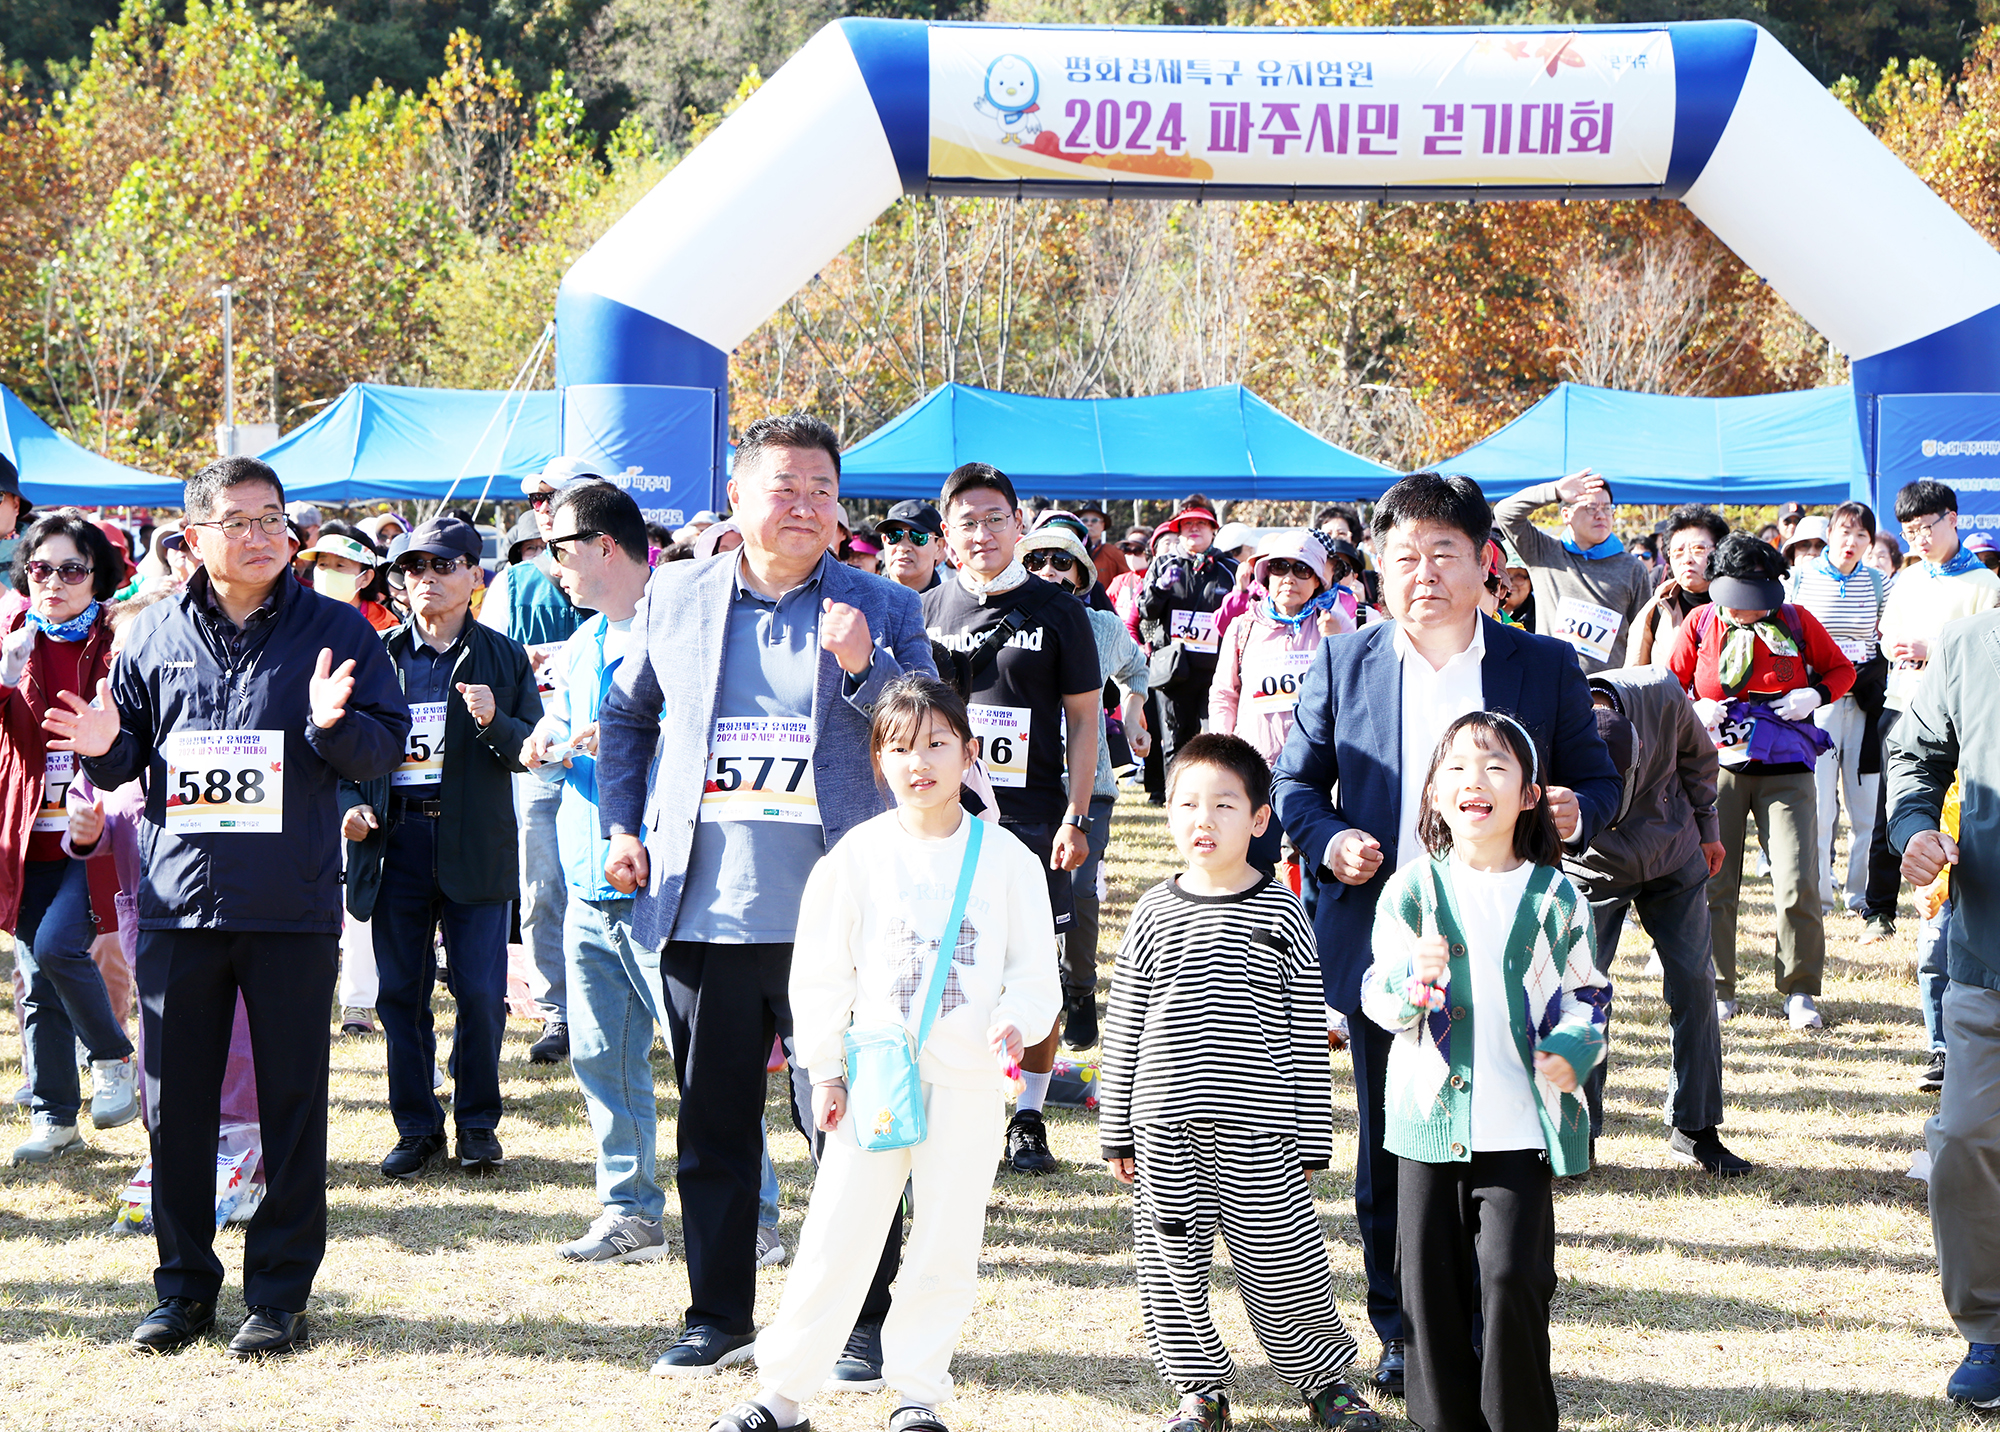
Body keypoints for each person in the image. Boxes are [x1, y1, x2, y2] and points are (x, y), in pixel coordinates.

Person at [595, 412, 934, 1378]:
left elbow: (930, 735)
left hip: (844, 916)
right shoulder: (678, 595)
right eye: (783, 487)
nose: (805, 506)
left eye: (822, 490)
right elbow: (626, 716)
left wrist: (867, 666)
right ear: (737, 500)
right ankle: (717, 1316)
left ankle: (862, 1323)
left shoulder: (881, 606)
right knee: (712, 1127)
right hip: (709, 908)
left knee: (852, 1131)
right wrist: (623, 827)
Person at [50, 455, 410, 1357]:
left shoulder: (337, 631)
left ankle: (278, 1293)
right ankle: (182, 1290)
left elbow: (380, 751)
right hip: (180, 905)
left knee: (293, 1101)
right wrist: (100, 749)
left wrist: (335, 726)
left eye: (272, 518)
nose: (260, 536)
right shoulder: (152, 635)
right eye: (239, 521)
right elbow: (124, 757)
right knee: (177, 1107)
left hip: (289, 906)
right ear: (196, 536)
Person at [1272, 471, 1620, 1396]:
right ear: (1380, 569)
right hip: (1397, 947)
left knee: (1507, 1136)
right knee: (1397, 1140)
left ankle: (1497, 1321)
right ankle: (1407, 1331)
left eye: (1442, 553)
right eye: (1403, 557)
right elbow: (1293, 787)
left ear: (1485, 562)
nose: (1422, 573)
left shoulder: (1539, 666)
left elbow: (1596, 775)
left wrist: (1577, 809)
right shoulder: (1344, 662)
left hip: (1512, 936)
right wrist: (1332, 836)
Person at [705, 675, 1060, 1432]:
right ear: (877, 760)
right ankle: (783, 1393)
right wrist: (825, 1069)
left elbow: (1037, 974)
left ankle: (918, 1393)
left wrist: (1015, 1020)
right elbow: (824, 972)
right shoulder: (856, 856)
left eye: (936, 744)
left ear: (969, 753)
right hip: (876, 1078)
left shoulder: (1007, 860)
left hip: (966, 1081)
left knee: (945, 1236)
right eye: (899, 748)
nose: (919, 762)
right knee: (838, 1230)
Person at [1101, 733, 1379, 1432]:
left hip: (1264, 1133)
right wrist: (1113, 1130)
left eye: (1224, 805)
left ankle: (1325, 1383)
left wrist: (1312, 1135)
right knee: (1172, 1269)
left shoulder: (1283, 911)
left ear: (1259, 820)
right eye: (1188, 803)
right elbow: (1126, 1022)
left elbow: (1304, 1031)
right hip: (1163, 1129)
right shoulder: (1152, 911)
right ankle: (1199, 1391)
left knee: (1285, 1267)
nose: (1204, 819)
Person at [1361, 711, 1608, 1432]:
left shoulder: (1557, 895)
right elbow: (1376, 993)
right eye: (1459, 768)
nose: (1477, 780)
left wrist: (1572, 1049)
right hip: (1425, 1128)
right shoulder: (1413, 891)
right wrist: (1413, 978)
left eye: (1497, 766)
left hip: (1520, 1129)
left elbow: (1587, 991)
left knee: (1513, 1280)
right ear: (1435, 793)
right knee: (1428, 1297)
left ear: (1529, 795)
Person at [339, 517, 539, 1179]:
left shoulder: (504, 657)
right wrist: (351, 805)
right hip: (394, 841)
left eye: (442, 565)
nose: (426, 578)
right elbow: (337, 747)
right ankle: (416, 1127)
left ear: (474, 577)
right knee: (399, 994)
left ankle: (478, 1127)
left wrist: (494, 718)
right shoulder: (375, 653)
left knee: (482, 995)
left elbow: (531, 751)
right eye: (414, 568)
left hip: (473, 841)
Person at [922, 462, 1097, 1175]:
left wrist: (1077, 816)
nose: (984, 532)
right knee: (945, 964)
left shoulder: (1059, 611)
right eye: (968, 521)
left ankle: (1027, 1116)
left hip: (1033, 823)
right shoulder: (925, 610)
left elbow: (1086, 721)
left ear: (1020, 525)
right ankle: (947, 1100)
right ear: (946, 536)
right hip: (943, 822)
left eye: (997, 518)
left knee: (1038, 970)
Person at [517, 481, 673, 1259]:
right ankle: (631, 1212)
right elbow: (557, 723)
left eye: (560, 547)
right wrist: (545, 740)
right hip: (588, 884)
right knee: (600, 1059)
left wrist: (610, 740)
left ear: (605, 545)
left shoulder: (682, 626)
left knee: (709, 1061)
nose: (552, 566)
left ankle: (752, 1218)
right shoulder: (582, 642)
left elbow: (691, 741)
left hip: (661, 885)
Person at [1665, 533, 1854, 1029]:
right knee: (1714, 881)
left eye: (1757, 602)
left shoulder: (1796, 621)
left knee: (1797, 881)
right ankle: (1718, 985)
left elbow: (1842, 671)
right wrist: (1692, 707)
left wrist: (1813, 695)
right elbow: (1669, 684)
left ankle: (1799, 989)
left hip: (1787, 767)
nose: (1749, 613)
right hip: (1718, 769)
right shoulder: (1700, 623)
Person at [1567, 665, 1749, 1175]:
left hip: (1675, 851)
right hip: (1592, 863)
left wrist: (1710, 828)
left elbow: (1699, 757)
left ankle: (1695, 1126)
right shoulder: (1558, 715)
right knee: (1581, 993)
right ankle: (1576, 1135)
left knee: (1695, 982)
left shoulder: (1662, 692)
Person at [1886, 604, 2000, 1410]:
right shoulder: (1973, 640)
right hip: (1987, 947)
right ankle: (1989, 1331)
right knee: (1964, 1135)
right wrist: (1915, 826)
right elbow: (1914, 754)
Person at [3, 513, 139, 1163]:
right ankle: (55, 1117)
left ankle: (113, 1057)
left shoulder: (122, 640)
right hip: (26, 835)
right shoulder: (12, 636)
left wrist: (104, 805)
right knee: (34, 980)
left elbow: (135, 739)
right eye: (40, 568)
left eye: (71, 569)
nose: (53, 581)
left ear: (97, 577)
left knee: (60, 947)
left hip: (96, 833)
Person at [483, 457, 600, 1066]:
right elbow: (487, 666)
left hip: (613, 760)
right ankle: (556, 1010)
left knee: (618, 880)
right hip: (538, 759)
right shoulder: (514, 584)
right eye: (535, 500)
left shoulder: (626, 577)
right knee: (543, 884)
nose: (543, 507)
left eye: (553, 495)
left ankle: (622, 1006)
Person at [1017, 519, 1148, 1051]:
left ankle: (1080, 989)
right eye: (1035, 560)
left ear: (1083, 574)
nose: (1047, 570)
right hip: (1023, 782)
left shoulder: (1103, 629)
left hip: (1088, 786)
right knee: (1023, 895)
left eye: (1061, 561)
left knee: (1080, 890)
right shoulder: (1006, 619)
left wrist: (1135, 717)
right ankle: (1033, 990)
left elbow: (1139, 671)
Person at [1860, 481, 2000, 950]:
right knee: (1896, 810)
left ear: (1953, 519)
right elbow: (1886, 634)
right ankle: (1878, 909)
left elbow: (1985, 653)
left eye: (1927, 526)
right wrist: (1895, 646)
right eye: (1910, 530)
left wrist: (1931, 650)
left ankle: (1949, 907)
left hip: (1963, 720)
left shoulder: (1985, 583)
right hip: (1902, 704)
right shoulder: (1909, 577)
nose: (1919, 537)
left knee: (1961, 814)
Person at [1209, 531, 1354, 874]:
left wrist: (1340, 635)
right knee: (1253, 863)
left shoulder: (1335, 624)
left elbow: (1356, 690)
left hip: (1318, 770)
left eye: (1302, 570)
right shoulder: (1243, 627)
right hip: (1255, 765)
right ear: (1266, 576)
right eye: (1279, 567)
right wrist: (1224, 747)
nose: (1289, 578)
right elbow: (1224, 693)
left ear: (1319, 580)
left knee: (1317, 869)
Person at [1785, 502, 1888, 919]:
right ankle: (1820, 892)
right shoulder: (1802, 579)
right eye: (1845, 532)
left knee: (1865, 805)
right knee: (1820, 805)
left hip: (1864, 704)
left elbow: (1886, 636)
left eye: (1862, 535)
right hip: (1817, 702)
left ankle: (1858, 894)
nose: (1852, 542)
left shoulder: (1879, 583)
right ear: (1829, 532)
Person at [1494, 467, 1655, 673]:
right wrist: (1554, 491)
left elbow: (1642, 635)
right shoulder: (1543, 552)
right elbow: (1505, 513)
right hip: (1549, 682)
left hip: (1605, 692)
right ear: (1566, 514)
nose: (1601, 516)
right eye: (1591, 508)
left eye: (1607, 508)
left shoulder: (1633, 568)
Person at [1140, 498, 1237, 770]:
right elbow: (1145, 611)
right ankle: (1175, 802)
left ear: (1213, 529)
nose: (1194, 528)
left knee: (1217, 737)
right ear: (1179, 531)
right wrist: (1159, 588)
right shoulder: (1163, 564)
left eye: (1201, 523)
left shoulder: (1229, 568)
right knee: (1176, 739)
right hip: (1174, 669)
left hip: (1217, 670)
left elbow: (1244, 613)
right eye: (1187, 524)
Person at [1629, 506, 1728, 667]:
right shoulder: (1657, 609)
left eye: (1698, 549)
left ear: (1719, 552)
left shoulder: (1740, 605)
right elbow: (1634, 676)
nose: (1687, 559)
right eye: (1678, 551)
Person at [299, 529, 395, 632]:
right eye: (323, 564)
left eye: (340, 565)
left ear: (366, 578)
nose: (328, 573)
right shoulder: (297, 618)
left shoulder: (385, 628)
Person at [874, 501, 946, 593]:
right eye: (894, 535)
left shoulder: (952, 605)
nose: (903, 547)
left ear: (939, 547)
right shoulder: (861, 602)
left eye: (917, 537)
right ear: (884, 541)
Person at [1079, 504, 1126, 591]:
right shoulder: (1070, 551)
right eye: (1084, 520)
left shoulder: (1114, 552)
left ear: (1103, 525)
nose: (1089, 524)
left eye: (1094, 520)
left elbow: (1126, 581)